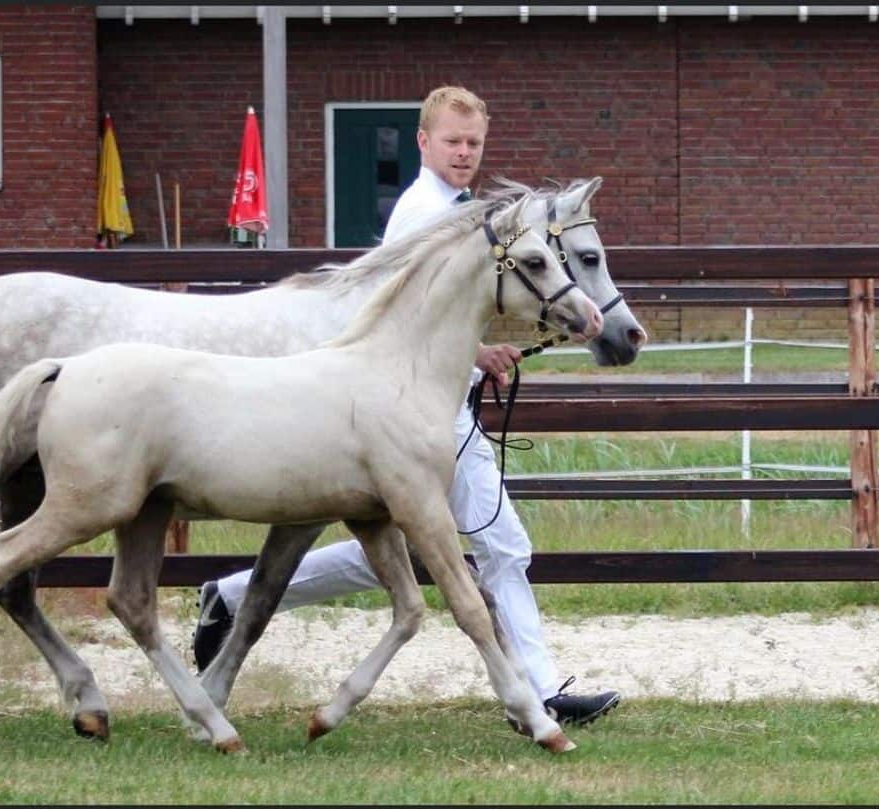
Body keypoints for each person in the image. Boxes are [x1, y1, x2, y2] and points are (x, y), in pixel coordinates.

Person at [193, 86, 620, 726]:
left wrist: (481, 350)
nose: (465, 153)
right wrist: (479, 354)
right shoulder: (424, 212)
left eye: (474, 143)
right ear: (423, 142)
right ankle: (538, 691)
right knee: (496, 546)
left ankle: (228, 597)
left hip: (435, 403)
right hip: (420, 412)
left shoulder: (462, 210)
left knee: (420, 548)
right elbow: (405, 312)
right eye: (453, 141)